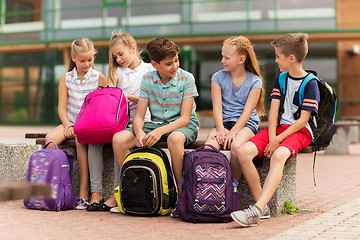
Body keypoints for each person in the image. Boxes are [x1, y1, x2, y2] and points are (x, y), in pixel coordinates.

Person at [230, 33, 320, 227]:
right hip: (279, 130)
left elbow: (303, 120)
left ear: (291, 58)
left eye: (278, 56)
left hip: (300, 132)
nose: (276, 59)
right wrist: (272, 136)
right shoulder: (281, 79)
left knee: (278, 155)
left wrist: (277, 141)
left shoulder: (311, 84)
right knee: (243, 151)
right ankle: (262, 207)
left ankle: (256, 209)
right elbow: (273, 112)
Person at [101, 37, 199, 210]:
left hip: (184, 125)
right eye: (169, 63)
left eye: (176, 60)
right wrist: (139, 133)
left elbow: (184, 118)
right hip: (156, 124)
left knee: (175, 139)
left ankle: (182, 195)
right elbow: (139, 117)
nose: (175, 66)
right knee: (119, 139)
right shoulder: (147, 79)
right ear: (155, 65)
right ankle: (137, 188)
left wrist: (159, 132)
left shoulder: (187, 78)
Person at [86, 32, 153, 211]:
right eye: (115, 56)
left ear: (133, 48)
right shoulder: (116, 72)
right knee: (93, 141)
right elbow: (111, 101)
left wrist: (128, 97)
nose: (118, 59)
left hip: (141, 121)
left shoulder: (149, 70)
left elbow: (153, 99)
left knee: (119, 139)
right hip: (117, 121)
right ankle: (96, 192)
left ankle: (117, 192)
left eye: (121, 54)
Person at [45, 38, 107, 209]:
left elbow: (99, 109)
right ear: (73, 58)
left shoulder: (99, 78)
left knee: (80, 140)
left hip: (88, 125)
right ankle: (57, 187)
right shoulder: (65, 78)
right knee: (50, 139)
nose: (87, 64)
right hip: (69, 122)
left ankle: (83, 192)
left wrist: (78, 127)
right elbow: (61, 107)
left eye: (90, 59)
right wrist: (67, 125)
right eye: (82, 60)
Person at [204, 36, 265, 182]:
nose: (222, 61)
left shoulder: (255, 81)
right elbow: (217, 107)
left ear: (241, 60)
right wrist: (220, 130)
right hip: (223, 124)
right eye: (222, 56)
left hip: (245, 125)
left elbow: (247, 112)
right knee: (209, 147)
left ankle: (232, 186)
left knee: (237, 147)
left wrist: (234, 132)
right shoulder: (217, 78)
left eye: (226, 58)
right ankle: (212, 185)